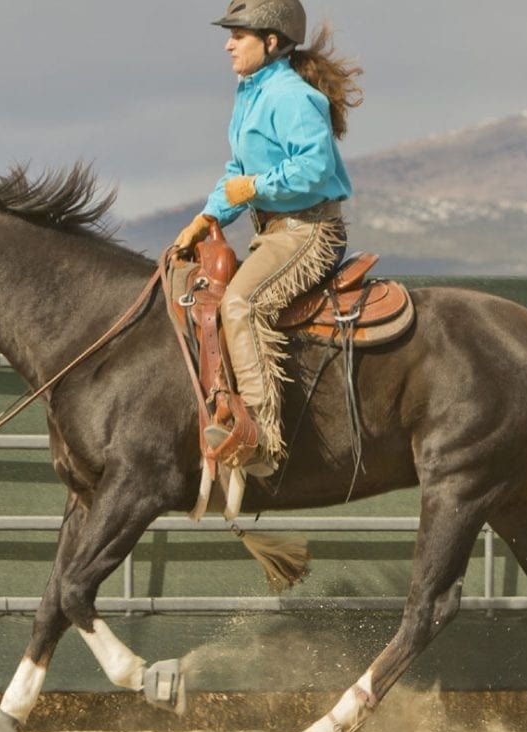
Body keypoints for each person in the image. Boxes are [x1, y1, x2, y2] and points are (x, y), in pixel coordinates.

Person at [175, 0, 363, 476]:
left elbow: (314, 167)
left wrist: (258, 188)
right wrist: (207, 215)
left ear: (272, 42)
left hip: (309, 231)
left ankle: (260, 436)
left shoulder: (291, 97)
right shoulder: (250, 95)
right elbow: (236, 172)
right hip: (275, 232)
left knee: (242, 304)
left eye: (239, 35)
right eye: (230, 34)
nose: (228, 43)